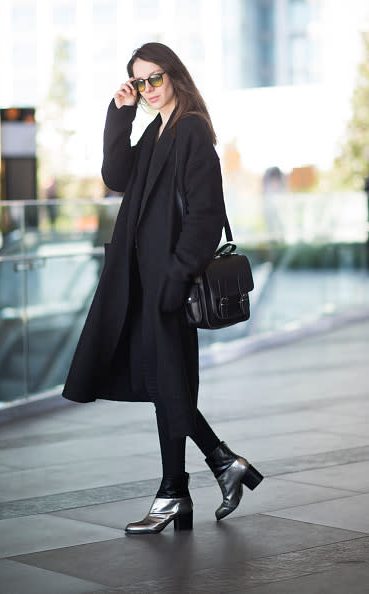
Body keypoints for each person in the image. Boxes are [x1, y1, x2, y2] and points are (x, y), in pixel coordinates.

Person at [62, 42, 263, 534]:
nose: (148, 89)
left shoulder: (190, 129)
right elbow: (115, 176)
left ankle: (184, 486)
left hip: (167, 283)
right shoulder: (155, 130)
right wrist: (119, 114)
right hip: (143, 281)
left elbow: (205, 214)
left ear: (174, 76)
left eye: (154, 79)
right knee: (165, 385)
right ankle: (194, 480)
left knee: (166, 384)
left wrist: (176, 277)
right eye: (139, 81)